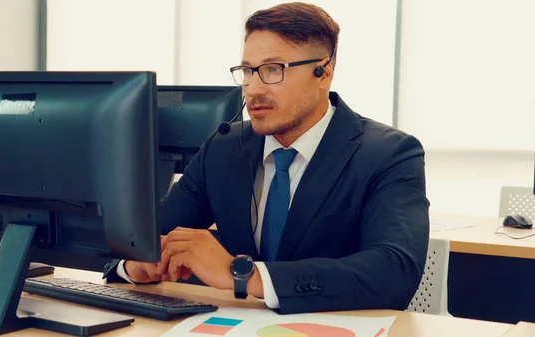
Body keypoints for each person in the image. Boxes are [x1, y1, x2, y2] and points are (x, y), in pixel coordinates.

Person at [103, 1, 429, 314]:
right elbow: (145, 236)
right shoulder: (224, 148)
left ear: (323, 72)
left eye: (273, 69)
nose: (253, 89)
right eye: (247, 70)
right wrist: (136, 264)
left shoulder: (388, 153)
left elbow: (394, 272)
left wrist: (244, 275)